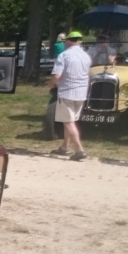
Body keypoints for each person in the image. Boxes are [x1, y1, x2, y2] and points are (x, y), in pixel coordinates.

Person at [47, 31, 91, 161]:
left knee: (68, 122)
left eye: (65, 41)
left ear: (69, 41)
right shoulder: (86, 56)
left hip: (67, 91)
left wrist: (50, 84)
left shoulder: (64, 56)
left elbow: (57, 76)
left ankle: (79, 150)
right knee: (70, 121)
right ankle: (65, 147)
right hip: (82, 92)